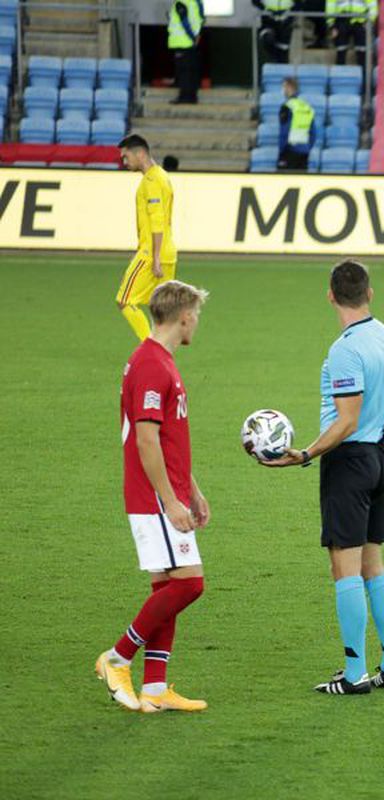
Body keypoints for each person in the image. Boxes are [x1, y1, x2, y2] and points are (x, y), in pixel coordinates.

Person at [266, 260, 384, 695]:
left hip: (350, 462)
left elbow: (346, 421)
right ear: (371, 292)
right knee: (374, 565)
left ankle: (355, 674)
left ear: (330, 295)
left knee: (345, 570)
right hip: (382, 456)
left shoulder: (344, 350)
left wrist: (305, 453)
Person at [95, 280, 211, 713]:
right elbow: (146, 441)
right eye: (195, 314)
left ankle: (156, 688)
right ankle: (117, 657)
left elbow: (169, 439)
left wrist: (193, 492)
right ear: (183, 315)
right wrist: (171, 500)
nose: (197, 321)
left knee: (166, 587)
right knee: (190, 584)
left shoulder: (160, 361)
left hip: (168, 492)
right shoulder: (151, 365)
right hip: (154, 497)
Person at [115, 134, 178, 342]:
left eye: (126, 157)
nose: (125, 162)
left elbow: (157, 219)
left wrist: (155, 256)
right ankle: (164, 353)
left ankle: (151, 347)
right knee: (161, 310)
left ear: (140, 153)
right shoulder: (162, 175)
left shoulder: (150, 180)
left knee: (125, 300)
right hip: (169, 252)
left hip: (152, 253)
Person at [168, 0, 205, 105]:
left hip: (182, 42)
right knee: (191, 70)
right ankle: (193, 96)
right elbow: (202, 19)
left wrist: (193, 37)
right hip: (192, 43)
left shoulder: (180, 3)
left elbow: (184, 22)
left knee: (183, 72)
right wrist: (198, 35)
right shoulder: (197, 2)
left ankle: (184, 97)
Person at [278, 77, 315, 171]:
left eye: (283, 87)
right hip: (304, 152)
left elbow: (284, 132)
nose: (282, 90)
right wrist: (307, 147)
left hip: (289, 151)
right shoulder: (307, 107)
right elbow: (313, 133)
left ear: (289, 88)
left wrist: (282, 151)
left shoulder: (287, 107)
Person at [327, 0, 377, 69]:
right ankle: (339, 76)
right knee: (341, 51)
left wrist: (369, 21)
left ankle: (364, 78)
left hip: (360, 22)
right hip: (342, 21)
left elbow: (373, 5)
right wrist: (332, 25)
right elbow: (330, 6)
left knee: (362, 53)